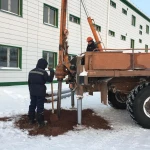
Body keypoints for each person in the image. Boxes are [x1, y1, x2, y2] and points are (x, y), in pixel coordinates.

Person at [28, 58, 54, 127]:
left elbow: (29, 83)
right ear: (43, 65)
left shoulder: (31, 72)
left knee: (32, 105)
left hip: (32, 91)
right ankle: (40, 122)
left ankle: (31, 119)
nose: (45, 67)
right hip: (40, 91)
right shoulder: (43, 72)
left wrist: (30, 92)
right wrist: (52, 72)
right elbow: (50, 80)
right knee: (40, 106)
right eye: (45, 65)